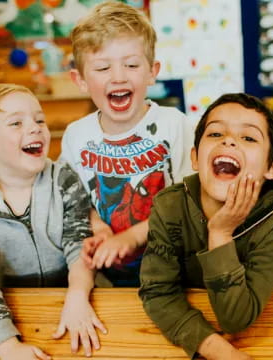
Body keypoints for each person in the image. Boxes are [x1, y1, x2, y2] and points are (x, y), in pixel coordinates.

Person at [0, 84, 106, 359]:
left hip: (73, 296)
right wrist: (7, 345)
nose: (35, 127)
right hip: (9, 310)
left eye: (38, 119)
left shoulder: (64, 180)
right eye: (16, 122)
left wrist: (77, 295)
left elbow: (79, 244)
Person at [139, 93, 273, 359]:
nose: (229, 140)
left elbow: (235, 319)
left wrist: (220, 233)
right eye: (215, 134)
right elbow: (157, 292)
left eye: (248, 138)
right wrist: (214, 348)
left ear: (272, 166)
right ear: (195, 157)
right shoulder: (169, 207)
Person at [61, 1, 194, 286]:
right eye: (102, 67)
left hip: (177, 269)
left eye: (131, 64)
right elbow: (76, 202)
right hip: (113, 274)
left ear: (152, 71)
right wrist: (99, 230)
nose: (118, 76)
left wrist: (133, 237)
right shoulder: (75, 136)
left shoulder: (175, 124)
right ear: (80, 79)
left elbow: (191, 199)